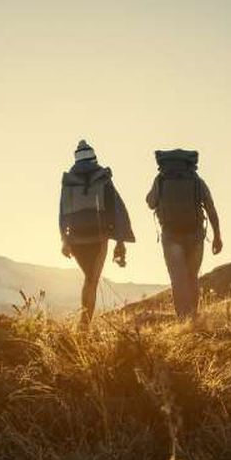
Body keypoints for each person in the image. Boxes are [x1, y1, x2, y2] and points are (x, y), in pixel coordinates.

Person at [58, 140, 135, 326]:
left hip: (76, 239)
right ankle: (84, 326)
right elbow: (116, 209)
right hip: (98, 238)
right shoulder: (103, 178)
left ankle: (84, 324)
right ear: (94, 158)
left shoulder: (69, 182)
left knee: (89, 279)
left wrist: (64, 240)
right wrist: (120, 241)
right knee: (91, 280)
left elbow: (62, 213)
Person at [145, 149, 222, 319]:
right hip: (194, 235)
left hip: (171, 235)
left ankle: (182, 319)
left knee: (177, 278)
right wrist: (217, 236)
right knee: (192, 276)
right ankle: (193, 316)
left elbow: (150, 202)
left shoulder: (161, 180)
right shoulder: (196, 180)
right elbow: (210, 208)